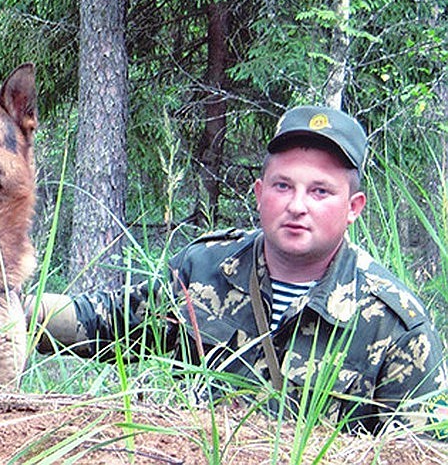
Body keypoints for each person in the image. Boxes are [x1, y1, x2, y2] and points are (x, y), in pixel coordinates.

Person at [31, 106, 448, 434]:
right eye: (283, 186)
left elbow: (419, 449)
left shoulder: (392, 324)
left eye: (320, 191)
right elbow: (109, 322)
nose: (297, 205)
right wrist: (2, 313)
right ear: (260, 193)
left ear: (353, 208)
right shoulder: (205, 269)